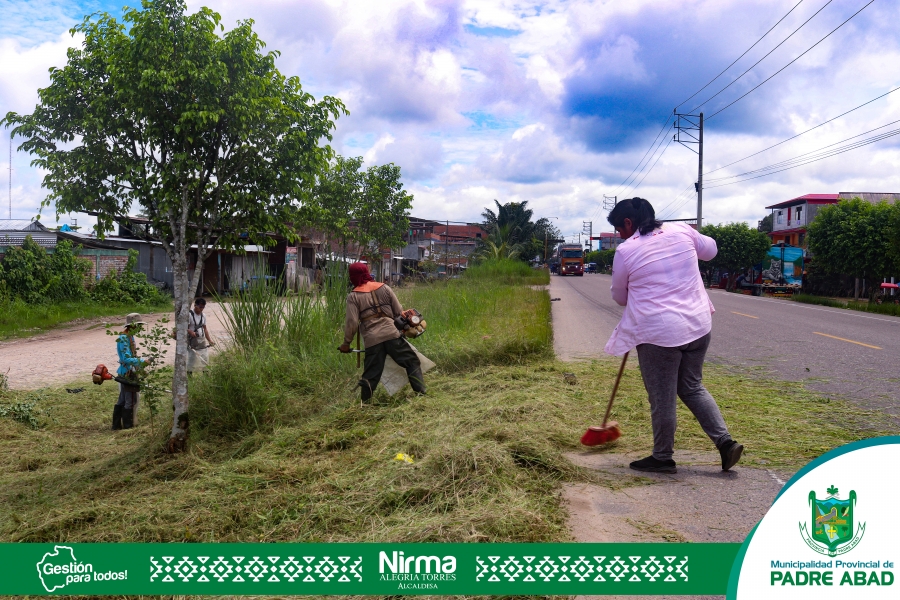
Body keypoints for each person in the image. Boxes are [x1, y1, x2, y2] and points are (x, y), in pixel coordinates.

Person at [605, 198, 743, 474]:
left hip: (659, 335)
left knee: (662, 396)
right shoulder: (681, 230)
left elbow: (620, 298)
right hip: (698, 325)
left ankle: (662, 457)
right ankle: (725, 442)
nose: (619, 235)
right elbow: (711, 250)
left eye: (619, 229)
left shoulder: (627, 250)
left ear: (629, 223)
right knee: (692, 387)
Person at [339, 262, 426, 401]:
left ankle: (364, 406)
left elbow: (352, 323)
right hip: (392, 334)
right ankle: (421, 394)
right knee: (411, 362)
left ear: (352, 277)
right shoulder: (384, 287)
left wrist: (346, 343)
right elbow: (399, 312)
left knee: (371, 375)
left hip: (372, 340)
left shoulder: (353, 296)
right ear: (367, 272)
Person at [113, 312, 147, 430]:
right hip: (126, 373)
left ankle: (117, 425)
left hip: (129, 371)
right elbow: (126, 358)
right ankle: (128, 426)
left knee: (123, 399)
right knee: (130, 400)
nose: (140, 328)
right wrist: (142, 361)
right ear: (132, 326)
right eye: (138, 326)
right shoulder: (123, 338)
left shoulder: (130, 337)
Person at [187, 297, 215, 375]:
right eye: (200, 307)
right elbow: (185, 327)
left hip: (202, 340)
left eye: (203, 307)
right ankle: (189, 375)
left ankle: (205, 374)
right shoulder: (189, 315)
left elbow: (205, 329)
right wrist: (190, 332)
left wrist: (210, 340)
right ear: (195, 305)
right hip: (192, 340)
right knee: (191, 358)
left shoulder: (204, 315)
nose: (201, 309)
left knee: (205, 357)